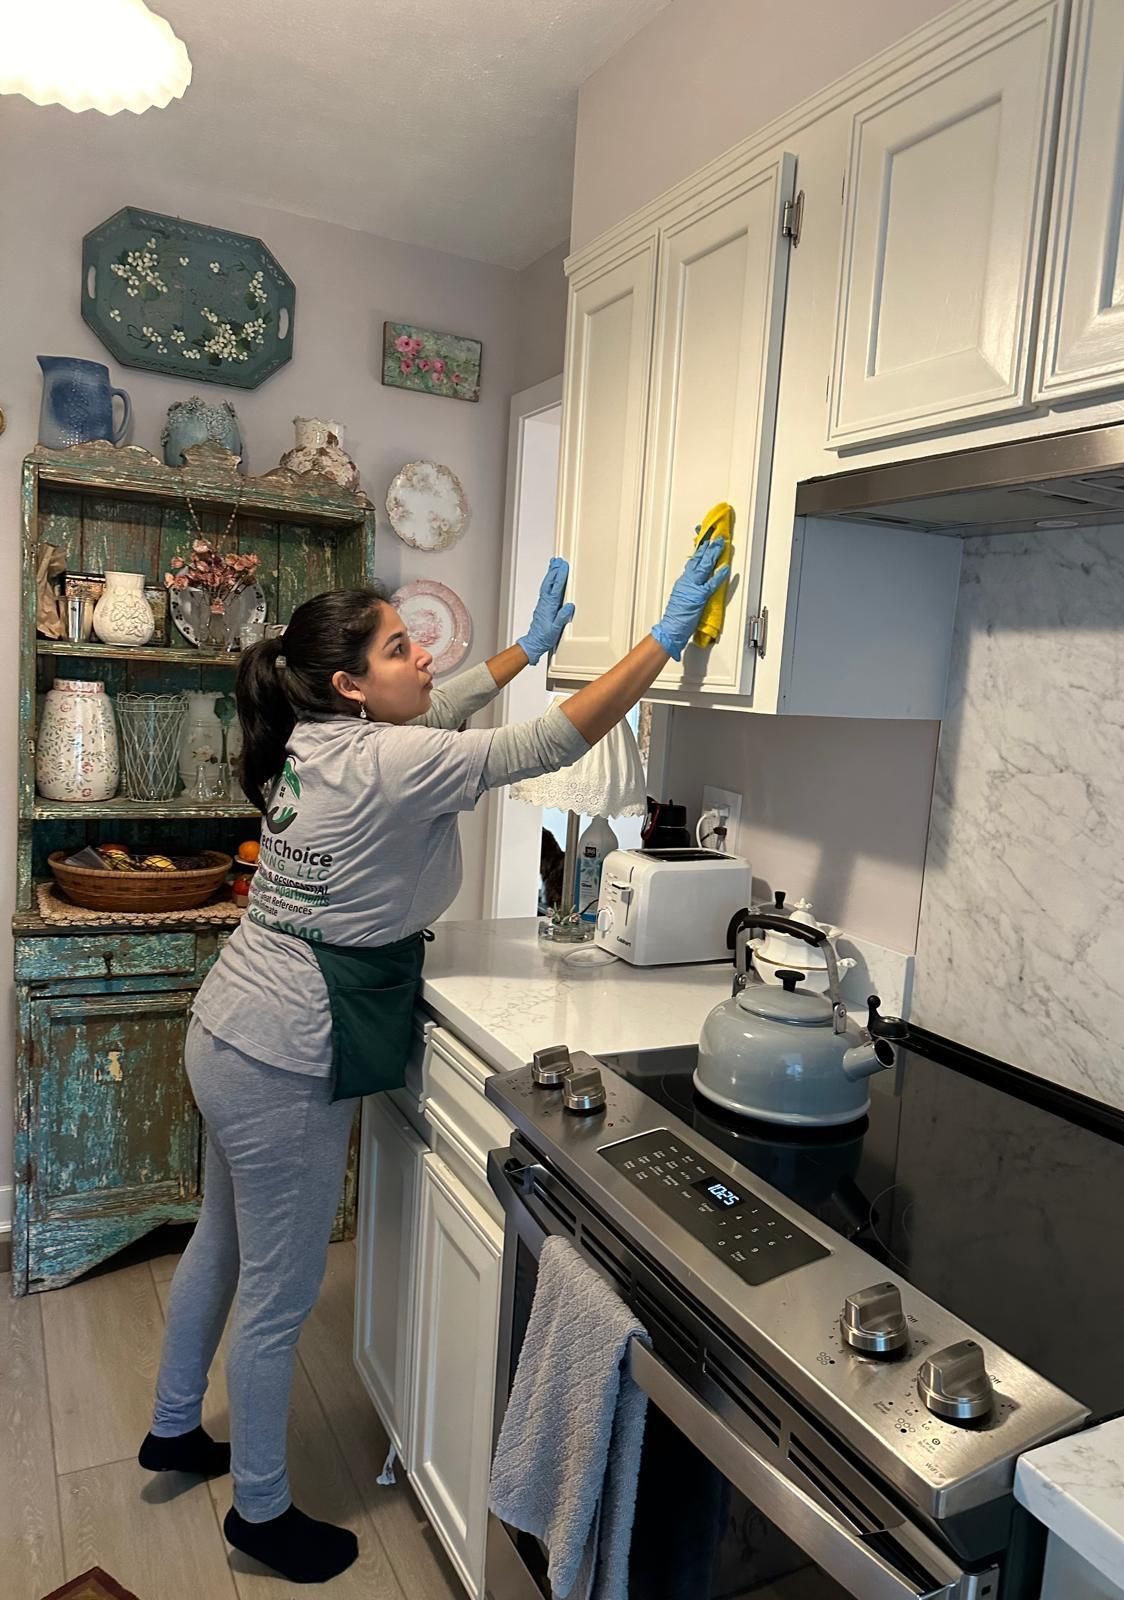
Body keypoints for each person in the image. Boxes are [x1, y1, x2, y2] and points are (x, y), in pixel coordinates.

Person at [138, 539, 727, 1585]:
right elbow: (544, 744)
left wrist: (520, 649)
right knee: (279, 1290)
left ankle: (175, 1430)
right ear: (352, 686)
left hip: (225, 1025)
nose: (424, 660)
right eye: (401, 647)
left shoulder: (317, 740)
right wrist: (658, 643)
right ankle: (259, 1518)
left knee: (222, 1244)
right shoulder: (389, 759)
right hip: (282, 1052)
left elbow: (442, 706)